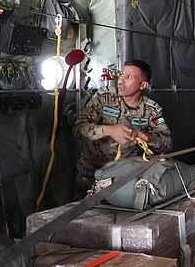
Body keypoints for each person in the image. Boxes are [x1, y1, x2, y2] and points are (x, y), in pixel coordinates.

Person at [73, 60, 173, 194]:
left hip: (122, 178)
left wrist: (146, 137)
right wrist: (108, 130)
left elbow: (167, 143)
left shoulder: (152, 110)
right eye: (121, 74)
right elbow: (79, 128)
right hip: (89, 174)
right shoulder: (103, 98)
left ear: (143, 85)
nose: (120, 80)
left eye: (128, 77)